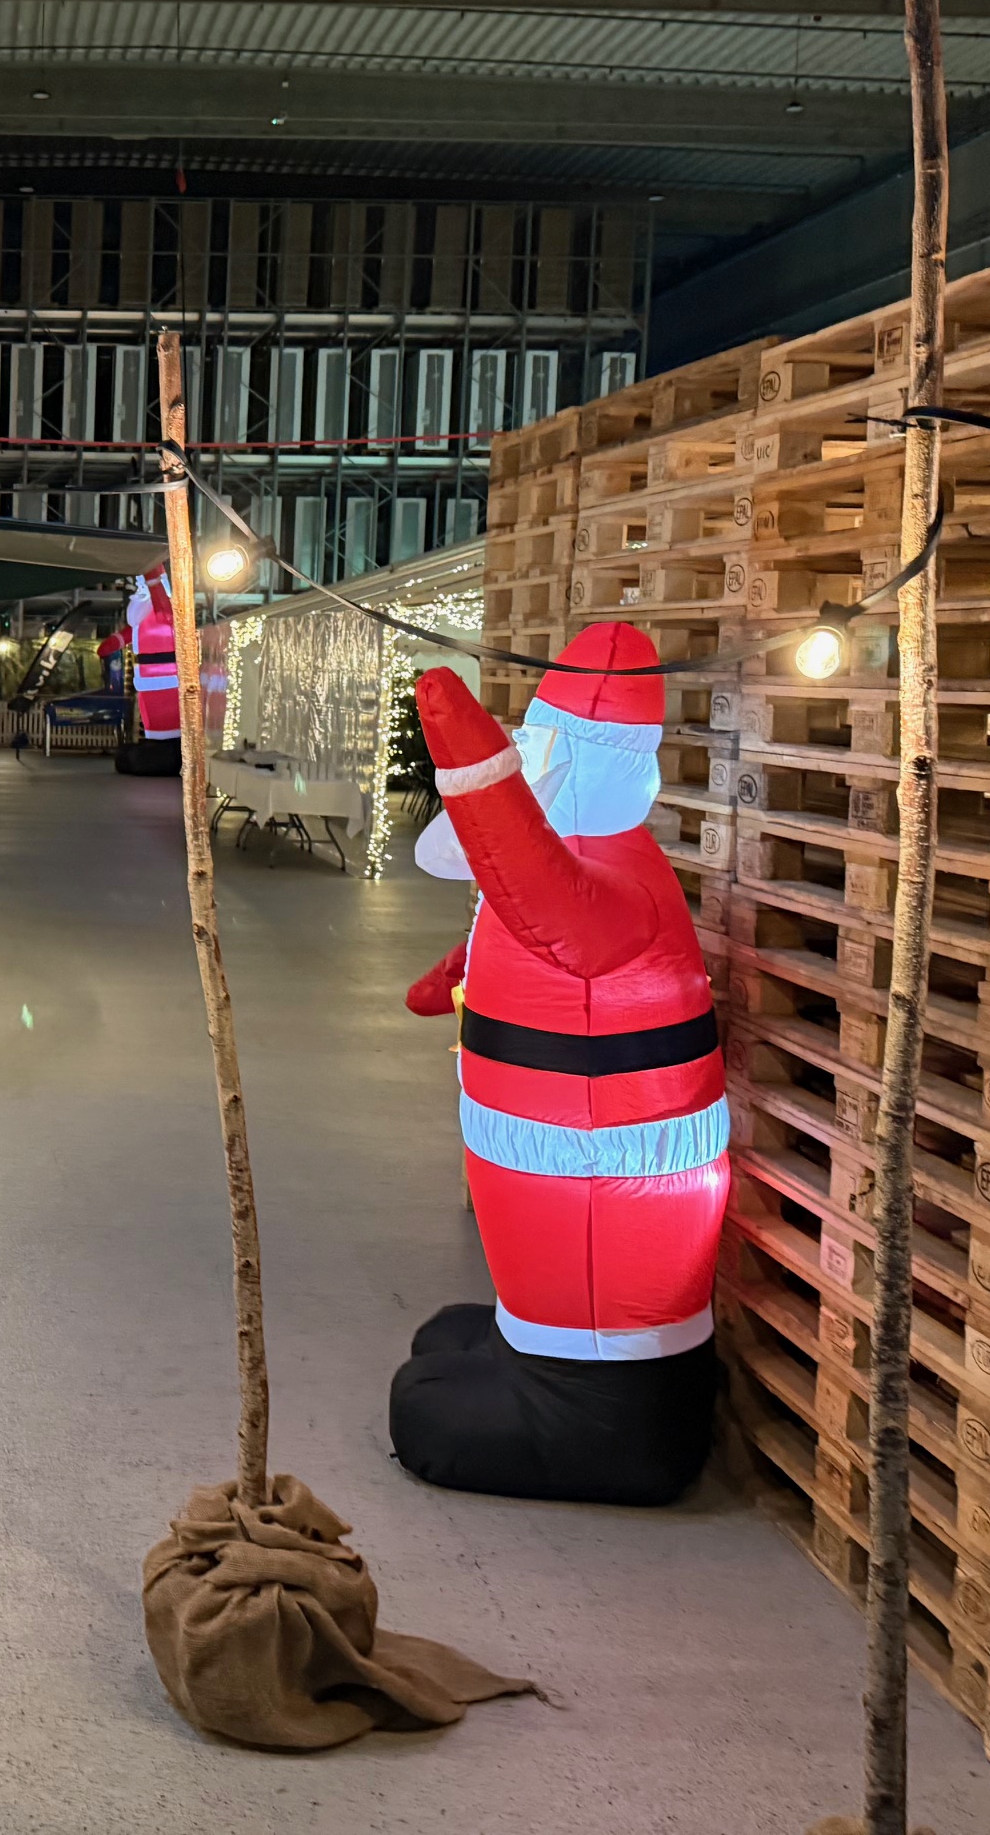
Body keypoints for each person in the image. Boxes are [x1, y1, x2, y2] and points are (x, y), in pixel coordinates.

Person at [388, 622, 724, 1506]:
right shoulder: (610, 864)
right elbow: (516, 916)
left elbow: (539, 902)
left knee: (426, 1405)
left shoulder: (603, 887)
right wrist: (454, 975)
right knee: (471, 1321)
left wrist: (472, 763)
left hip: (602, 1223)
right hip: (550, 1184)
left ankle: (583, 1406)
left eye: (543, 745)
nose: (534, 759)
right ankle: (530, 1336)